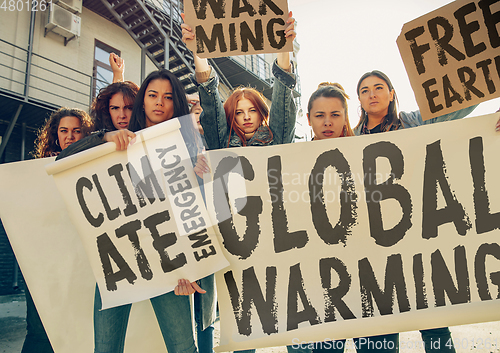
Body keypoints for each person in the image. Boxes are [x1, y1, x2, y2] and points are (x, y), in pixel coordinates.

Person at [182, 10, 310, 353]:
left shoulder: (277, 137)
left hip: (276, 240)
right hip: (234, 243)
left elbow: (285, 96)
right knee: (240, 324)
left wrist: (284, 48)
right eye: (238, 112)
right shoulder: (221, 142)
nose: (245, 117)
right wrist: (198, 50)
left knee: (291, 314)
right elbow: (209, 97)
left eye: (251, 110)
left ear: (261, 112)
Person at [57, 69, 201, 353]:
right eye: (152, 95)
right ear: (143, 101)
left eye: (168, 97)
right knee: (106, 349)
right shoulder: (118, 140)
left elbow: (194, 213)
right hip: (117, 262)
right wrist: (105, 138)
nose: (159, 102)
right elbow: (64, 157)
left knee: (183, 348)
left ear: (176, 104)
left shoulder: (188, 147)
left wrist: (191, 266)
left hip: (169, 262)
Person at [354, 70, 479, 353]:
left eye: (378, 87)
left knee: (433, 321)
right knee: (378, 330)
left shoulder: (414, 123)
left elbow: (457, 106)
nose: (372, 94)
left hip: (417, 238)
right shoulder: (350, 137)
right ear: (359, 100)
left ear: (391, 93)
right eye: (364, 90)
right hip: (374, 246)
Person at [24, 107, 93, 353]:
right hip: (43, 266)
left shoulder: (92, 165)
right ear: (55, 134)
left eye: (77, 131)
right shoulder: (37, 170)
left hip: (78, 265)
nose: (70, 137)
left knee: (73, 329)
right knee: (39, 330)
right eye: (64, 131)